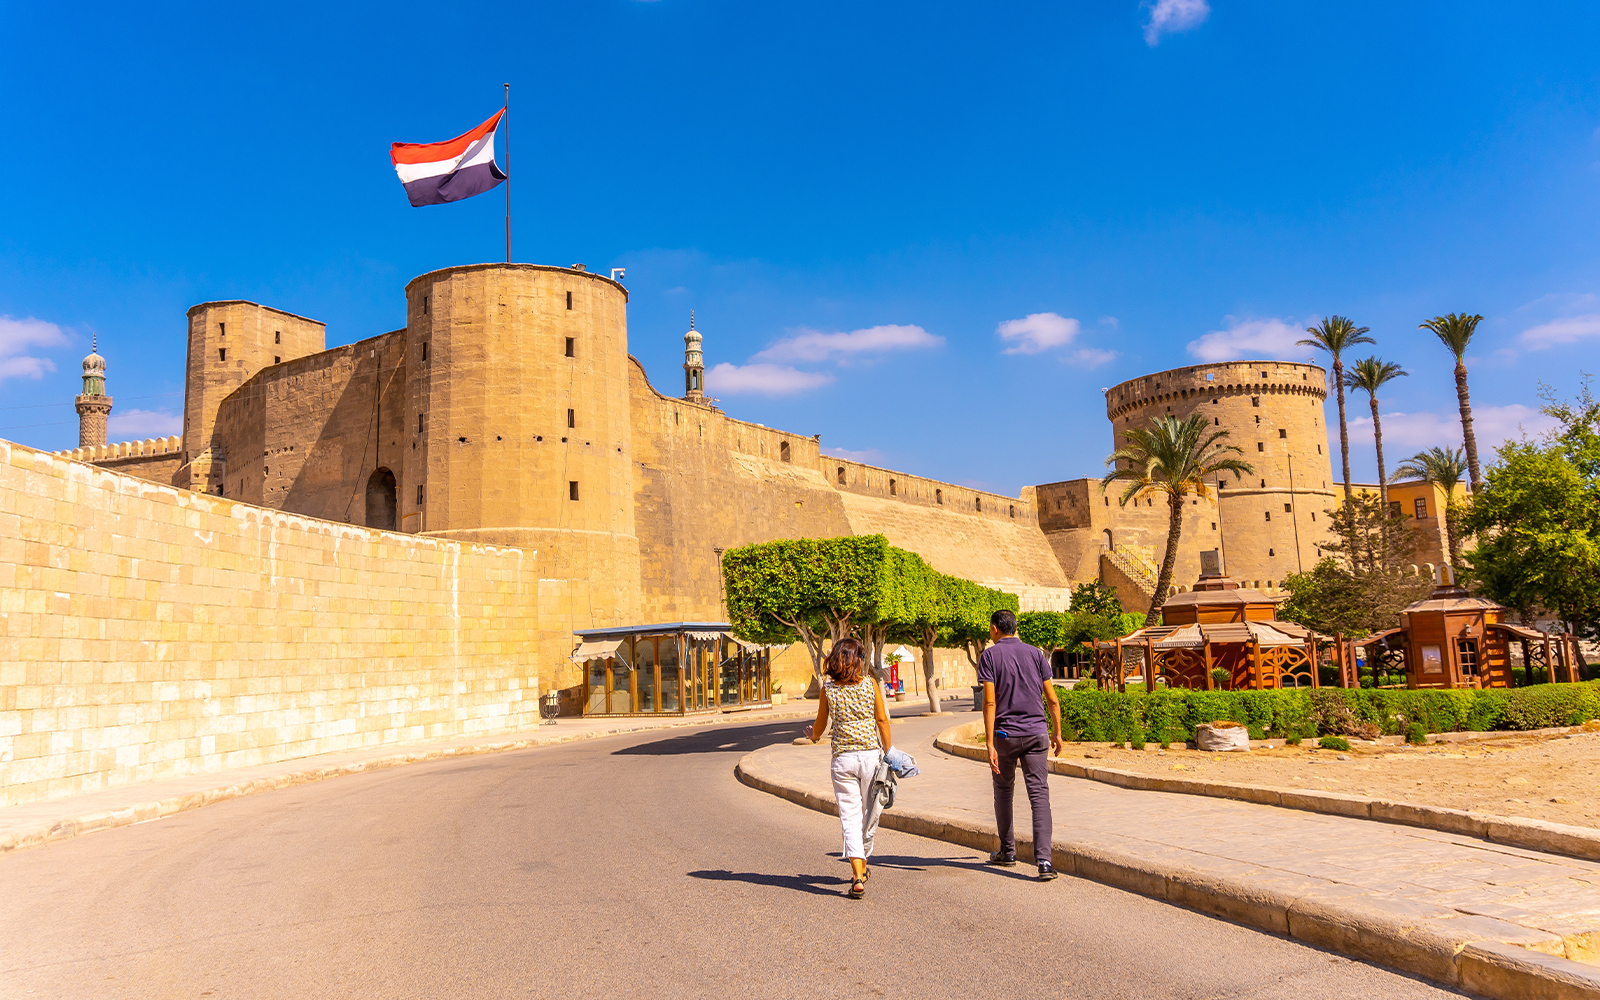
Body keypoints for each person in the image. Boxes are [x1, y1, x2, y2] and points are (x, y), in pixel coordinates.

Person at [978, 608, 1064, 880]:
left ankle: (1008, 851)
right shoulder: (1036, 654)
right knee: (1039, 794)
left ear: (995, 629)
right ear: (1015, 628)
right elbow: (1052, 698)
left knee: (1004, 792)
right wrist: (1057, 732)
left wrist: (989, 742)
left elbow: (989, 701)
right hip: (1037, 733)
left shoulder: (990, 656)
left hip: (1006, 736)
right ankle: (1045, 862)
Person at [807, 637, 892, 898]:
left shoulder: (828, 690)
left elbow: (821, 724)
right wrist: (889, 753)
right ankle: (862, 865)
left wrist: (813, 737)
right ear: (857, 661)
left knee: (850, 817)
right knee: (869, 815)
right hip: (870, 757)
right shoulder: (870, 684)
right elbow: (882, 720)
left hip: (843, 759)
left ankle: (857, 874)